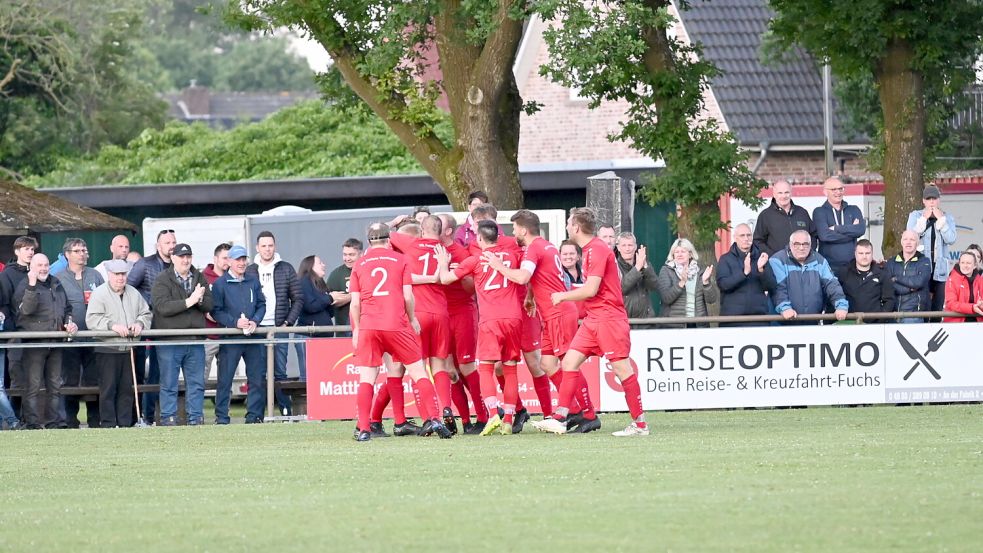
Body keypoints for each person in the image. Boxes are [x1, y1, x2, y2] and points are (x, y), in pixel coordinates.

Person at [533, 207, 649, 437]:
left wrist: (562, 296)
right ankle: (560, 417)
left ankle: (640, 424)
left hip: (608, 317)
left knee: (621, 369)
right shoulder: (588, 250)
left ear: (576, 227)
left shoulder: (596, 249)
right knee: (569, 363)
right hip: (594, 318)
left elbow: (591, 289)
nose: (567, 226)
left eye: (569, 222)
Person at [481, 210, 599, 433]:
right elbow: (543, 277)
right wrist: (530, 297)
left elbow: (523, 277)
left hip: (559, 313)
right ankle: (573, 410)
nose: (513, 232)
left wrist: (498, 265)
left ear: (523, 230)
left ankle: (588, 413)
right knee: (546, 364)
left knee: (569, 364)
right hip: (551, 314)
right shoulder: (547, 245)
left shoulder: (533, 248)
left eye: (515, 228)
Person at [351, 223, 451, 441]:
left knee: (367, 378)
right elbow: (408, 296)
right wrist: (412, 318)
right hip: (396, 324)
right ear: (389, 241)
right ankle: (434, 418)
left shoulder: (359, 264)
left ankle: (364, 429)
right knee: (419, 372)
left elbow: (355, 304)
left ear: (369, 243)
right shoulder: (401, 260)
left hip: (369, 325)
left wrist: (357, 330)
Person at [436, 220, 523, 436]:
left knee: (485, 367)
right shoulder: (512, 256)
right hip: (513, 317)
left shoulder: (474, 260)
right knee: (510, 368)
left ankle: (493, 413)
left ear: (481, 239)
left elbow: (445, 279)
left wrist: (442, 263)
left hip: (490, 319)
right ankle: (509, 420)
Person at [386, 214, 455, 429]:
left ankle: (428, 417)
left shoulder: (411, 243)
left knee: (418, 367)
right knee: (440, 364)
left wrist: (395, 223)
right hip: (441, 312)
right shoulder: (445, 251)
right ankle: (446, 408)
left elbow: (379, 232)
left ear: (422, 230)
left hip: (418, 312)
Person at [151, 243, 213, 426]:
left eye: (188, 256)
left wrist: (199, 300)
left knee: (196, 384)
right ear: (173, 258)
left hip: (194, 339)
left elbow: (210, 305)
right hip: (170, 340)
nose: (185, 260)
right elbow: (162, 307)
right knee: (169, 383)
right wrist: (190, 301)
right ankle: (168, 418)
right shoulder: (162, 279)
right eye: (181, 257)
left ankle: (196, 418)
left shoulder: (199, 277)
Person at [85, 259, 152, 428]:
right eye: (117, 274)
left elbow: (145, 313)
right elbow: (92, 319)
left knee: (126, 390)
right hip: (107, 349)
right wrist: (112, 326)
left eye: (123, 274)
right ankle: (108, 423)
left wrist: (139, 324)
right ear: (109, 275)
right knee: (108, 389)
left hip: (128, 349)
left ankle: (125, 423)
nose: (120, 278)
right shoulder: (99, 293)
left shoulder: (133, 293)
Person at [13, 254, 77, 429]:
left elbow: (67, 308)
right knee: (32, 386)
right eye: (39, 265)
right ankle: (32, 423)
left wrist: (69, 322)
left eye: (46, 265)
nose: (43, 268)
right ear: (31, 266)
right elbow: (26, 310)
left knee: (55, 386)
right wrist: (32, 287)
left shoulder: (56, 283)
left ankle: (53, 423)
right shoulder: (24, 285)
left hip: (55, 341)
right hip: (34, 343)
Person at [245, 231, 302, 416]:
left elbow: (298, 298)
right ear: (257, 248)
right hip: (257, 329)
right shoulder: (250, 270)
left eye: (270, 245)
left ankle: (286, 413)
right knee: (258, 374)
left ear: (275, 246)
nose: (267, 249)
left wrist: (287, 323)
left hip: (279, 328)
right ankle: (257, 416)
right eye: (264, 246)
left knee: (280, 373)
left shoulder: (285, 268)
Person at [211, 245, 267, 424]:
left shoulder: (253, 281)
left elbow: (261, 304)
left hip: (253, 336)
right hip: (231, 338)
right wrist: (234, 322)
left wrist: (255, 321)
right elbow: (216, 311)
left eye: (244, 259)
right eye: (238, 260)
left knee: (257, 378)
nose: (242, 263)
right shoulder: (220, 284)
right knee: (225, 379)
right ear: (229, 262)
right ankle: (221, 417)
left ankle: (255, 416)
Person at [127, 228, 176, 424]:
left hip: (173, 327)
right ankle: (146, 417)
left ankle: (165, 416)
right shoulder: (144, 264)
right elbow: (128, 288)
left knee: (168, 375)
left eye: (173, 242)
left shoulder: (180, 263)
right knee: (152, 374)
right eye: (167, 243)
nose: (171, 247)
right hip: (150, 327)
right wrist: (145, 307)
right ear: (158, 246)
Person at [54, 238, 104, 428]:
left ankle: (94, 419)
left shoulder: (95, 275)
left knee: (94, 379)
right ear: (67, 254)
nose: (82, 254)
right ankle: (70, 420)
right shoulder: (58, 277)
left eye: (84, 250)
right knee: (70, 380)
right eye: (77, 251)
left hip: (94, 337)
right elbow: (57, 306)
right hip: (71, 339)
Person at [767, 230, 849, 324]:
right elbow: (778, 288)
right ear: (790, 244)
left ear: (810, 245)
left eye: (805, 244)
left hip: (812, 323)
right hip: (782, 323)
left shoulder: (820, 261)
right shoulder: (777, 260)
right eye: (797, 244)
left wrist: (841, 305)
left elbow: (832, 284)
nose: (801, 248)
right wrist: (784, 307)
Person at [0, 236, 38, 417]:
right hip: (16, 331)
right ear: (17, 251)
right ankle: (15, 417)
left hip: (38, 332)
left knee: (36, 377)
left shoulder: (39, 270)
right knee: (16, 376)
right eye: (26, 249)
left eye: (32, 249)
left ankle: (35, 417)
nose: (30, 252)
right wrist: (12, 329)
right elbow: (5, 303)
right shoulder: (8, 274)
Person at [906, 184, 957, 317]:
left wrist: (942, 222)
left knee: (938, 306)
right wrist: (923, 219)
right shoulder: (915, 215)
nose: (932, 202)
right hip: (921, 267)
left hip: (940, 268)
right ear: (923, 201)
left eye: (934, 198)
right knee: (922, 304)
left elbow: (951, 239)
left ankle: (935, 326)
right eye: (928, 199)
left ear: (939, 200)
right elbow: (910, 237)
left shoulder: (947, 217)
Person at [716, 223, 771, 325]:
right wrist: (744, 273)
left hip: (758, 319)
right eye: (742, 235)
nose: (746, 238)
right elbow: (723, 285)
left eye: (748, 235)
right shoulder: (725, 259)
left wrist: (760, 270)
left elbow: (771, 286)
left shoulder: (761, 258)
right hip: (732, 320)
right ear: (735, 238)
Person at [656, 238, 718, 327]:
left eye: (683, 251)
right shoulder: (666, 271)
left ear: (690, 254)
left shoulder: (700, 272)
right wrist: (681, 283)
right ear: (673, 255)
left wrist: (706, 282)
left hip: (698, 325)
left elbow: (711, 300)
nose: (679, 254)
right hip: (674, 325)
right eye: (676, 252)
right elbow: (666, 298)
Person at [813, 176, 866, 273]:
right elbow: (825, 236)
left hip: (852, 267)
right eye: (833, 189)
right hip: (829, 268)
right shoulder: (819, 212)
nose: (838, 192)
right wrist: (851, 232)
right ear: (825, 192)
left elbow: (861, 230)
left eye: (841, 188)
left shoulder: (853, 209)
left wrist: (837, 228)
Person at [753, 180, 817, 256]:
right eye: (780, 193)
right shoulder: (765, 215)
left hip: (803, 263)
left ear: (791, 193)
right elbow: (758, 241)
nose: (784, 196)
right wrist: (774, 257)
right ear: (774, 194)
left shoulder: (802, 212)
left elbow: (813, 235)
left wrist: (808, 252)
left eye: (786, 192)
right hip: (777, 265)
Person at [837, 239, 895, 317]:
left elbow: (889, 300)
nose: (864, 256)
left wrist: (880, 320)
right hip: (849, 323)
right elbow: (836, 296)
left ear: (872, 254)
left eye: (867, 253)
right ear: (855, 254)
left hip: (874, 325)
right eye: (861, 253)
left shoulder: (882, 274)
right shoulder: (844, 272)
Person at [887, 230, 933, 323]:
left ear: (917, 243)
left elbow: (919, 282)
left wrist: (896, 278)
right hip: (893, 314)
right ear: (901, 242)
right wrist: (910, 288)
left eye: (912, 239)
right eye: (905, 239)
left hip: (914, 315)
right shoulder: (891, 262)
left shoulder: (924, 261)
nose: (908, 242)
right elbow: (888, 286)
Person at [202, 243, 231, 380]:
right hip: (207, 335)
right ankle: (197, 402)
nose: (228, 261)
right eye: (224, 258)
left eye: (230, 258)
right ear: (215, 259)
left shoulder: (233, 277)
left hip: (227, 335)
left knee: (226, 380)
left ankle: (224, 403)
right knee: (200, 378)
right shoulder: (203, 278)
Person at [615, 232, 658, 319]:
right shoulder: (614, 266)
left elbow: (654, 286)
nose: (627, 249)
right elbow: (620, 288)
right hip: (625, 320)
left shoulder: (643, 263)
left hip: (646, 321)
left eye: (630, 245)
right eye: (624, 245)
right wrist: (637, 268)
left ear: (635, 247)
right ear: (618, 248)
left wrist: (645, 266)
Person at [326, 238, 361, 337]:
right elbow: (329, 301)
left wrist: (350, 297)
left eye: (351, 255)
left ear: (361, 254)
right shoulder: (336, 274)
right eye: (345, 254)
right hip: (343, 332)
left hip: (367, 330)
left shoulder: (368, 270)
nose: (347, 258)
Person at [297, 255, 335, 337]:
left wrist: (335, 299)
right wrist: (330, 298)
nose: (323, 265)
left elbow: (330, 313)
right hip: (309, 335)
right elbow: (310, 306)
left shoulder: (320, 283)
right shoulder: (304, 281)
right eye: (320, 263)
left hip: (323, 335)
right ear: (310, 266)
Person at [943, 252, 983, 322]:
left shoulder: (980, 280)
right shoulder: (951, 280)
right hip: (956, 323)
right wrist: (972, 307)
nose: (965, 265)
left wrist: (981, 306)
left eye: (968, 263)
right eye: (962, 263)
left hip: (978, 323)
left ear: (974, 266)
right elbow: (951, 303)